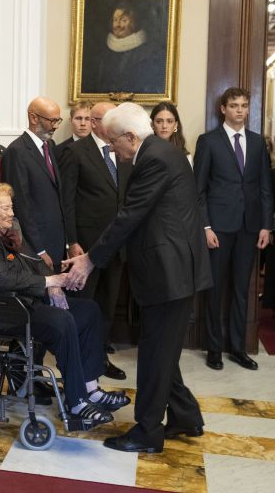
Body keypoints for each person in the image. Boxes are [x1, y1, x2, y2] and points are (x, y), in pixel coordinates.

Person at [63, 102, 212, 453]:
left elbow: (129, 216)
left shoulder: (154, 158)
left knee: (155, 355)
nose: (112, 149)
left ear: (131, 137)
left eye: (114, 142)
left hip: (169, 271)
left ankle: (147, 433)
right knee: (162, 350)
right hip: (172, 269)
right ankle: (186, 416)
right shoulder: (161, 152)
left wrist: (89, 261)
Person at [0, 180, 130, 425]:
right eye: (6, 209)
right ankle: (77, 402)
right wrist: (48, 283)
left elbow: (34, 263)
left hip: (18, 304)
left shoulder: (7, 233)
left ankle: (91, 388)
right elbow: (2, 279)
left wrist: (55, 285)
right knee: (61, 321)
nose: (12, 213)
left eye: (11, 207)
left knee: (88, 310)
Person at [194, 87, 273, 371]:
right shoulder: (209, 141)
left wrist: (266, 225)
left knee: (241, 290)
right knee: (214, 289)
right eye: (234, 105)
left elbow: (265, 187)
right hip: (218, 227)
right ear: (223, 109)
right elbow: (198, 189)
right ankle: (214, 349)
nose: (240, 110)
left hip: (249, 227)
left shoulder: (257, 142)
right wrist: (205, 226)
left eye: (244, 105)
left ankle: (238, 348)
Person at [59, 101, 132, 380]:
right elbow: (67, 201)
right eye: (107, 118)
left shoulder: (123, 152)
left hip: (116, 245)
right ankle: (78, 363)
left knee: (107, 306)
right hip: (85, 246)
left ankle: (100, 358)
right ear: (95, 122)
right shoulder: (76, 152)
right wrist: (71, 240)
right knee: (84, 306)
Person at [1, 97, 66, 272]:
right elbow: (21, 205)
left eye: (58, 120)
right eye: (51, 120)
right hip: (37, 246)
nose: (55, 126)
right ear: (34, 118)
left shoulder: (49, 145)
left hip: (56, 242)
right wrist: (39, 249)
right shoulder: (16, 151)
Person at [84, 0, 165, 94]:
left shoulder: (147, 53)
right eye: (115, 20)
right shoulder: (103, 53)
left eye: (123, 20)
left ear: (134, 23)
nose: (118, 25)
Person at [151, 102, 192, 166]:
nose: (164, 126)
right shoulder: (144, 152)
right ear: (152, 125)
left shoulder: (186, 156)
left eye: (169, 121)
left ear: (176, 125)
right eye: (159, 121)